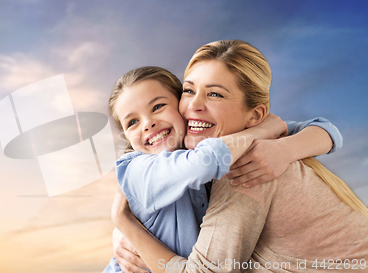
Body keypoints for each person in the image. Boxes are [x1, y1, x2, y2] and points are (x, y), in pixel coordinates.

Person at [111, 40, 368, 273]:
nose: (194, 106)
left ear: (254, 115)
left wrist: (127, 225)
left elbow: (325, 130)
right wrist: (267, 131)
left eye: (215, 94)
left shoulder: (251, 167)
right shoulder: (243, 144)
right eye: (189, 91)